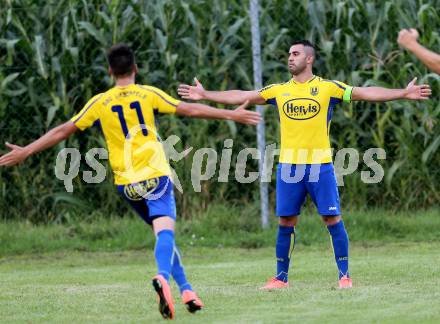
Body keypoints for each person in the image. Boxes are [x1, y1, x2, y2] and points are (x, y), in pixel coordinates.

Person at [0, 44, 261, 319]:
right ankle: (162, 277)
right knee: (165, 234)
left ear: (110, 71)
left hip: (126, 183)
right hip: (155, 175)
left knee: (162, 236)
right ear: (135, 68)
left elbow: (64, 130)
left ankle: (187, 291)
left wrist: (26, 151)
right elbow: (190, 110)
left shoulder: (100, 101)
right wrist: (232, 114)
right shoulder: (148, 94)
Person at [177, 40, 431, 289]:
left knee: (332, 219)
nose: (290, 57)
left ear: (309, 59)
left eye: (296, 53)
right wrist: (205, 94)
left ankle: (345, 276)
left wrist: (403, 92)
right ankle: (280, 278)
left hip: (320, 167)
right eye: (289, 53)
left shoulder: (327, 88)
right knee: (286, 221)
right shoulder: (278, 90)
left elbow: (365, 93)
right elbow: (242, 96)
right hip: (289, 168)